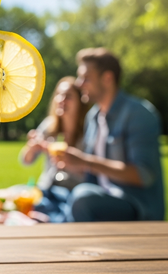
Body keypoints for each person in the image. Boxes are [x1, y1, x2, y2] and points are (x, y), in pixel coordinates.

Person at [55, 48, 165, 221]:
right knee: (54, 193)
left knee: (82, 198)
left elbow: (144, 175)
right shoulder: (93, 117)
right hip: (103, 197)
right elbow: (92, 176)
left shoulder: (139, 114)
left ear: (107, 78)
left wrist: (85, 161)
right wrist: (74, 164)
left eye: (86, 78)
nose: (79, 83)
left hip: (137, 208)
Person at [19, 76, 90, 222]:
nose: (62, 99)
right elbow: (25, 160)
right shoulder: (50, 125)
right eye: (59, 94)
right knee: (16, 197)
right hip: (47, 188)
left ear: (80, 102)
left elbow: (92, 171)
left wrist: (70, 161)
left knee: (63, 215)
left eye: (68, 96)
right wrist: (33, 147)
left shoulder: (89, 130)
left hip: (73, 192)